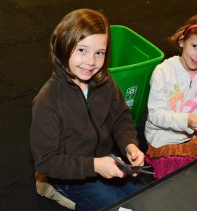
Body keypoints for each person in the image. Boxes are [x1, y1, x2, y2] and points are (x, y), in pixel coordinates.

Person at [30, 9, 146, 210]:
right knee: (122, 208)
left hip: (104, 160)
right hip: (70, 176)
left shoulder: (104, 80)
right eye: (82, 50)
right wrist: (94, 166)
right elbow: (46, 161)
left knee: (148, 197)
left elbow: (120, 117)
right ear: (62, 46)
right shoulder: (47, 100)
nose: (91, 62)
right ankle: (51, 188)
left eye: (99, 53)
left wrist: (129, 144)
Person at [144, 13, 197, 178]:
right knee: (174, 180)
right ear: (182, 41)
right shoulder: (163, 72)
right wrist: (186, 121)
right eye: (195, 46)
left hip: (194, 138)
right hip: (163, 139)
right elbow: (155, 115)